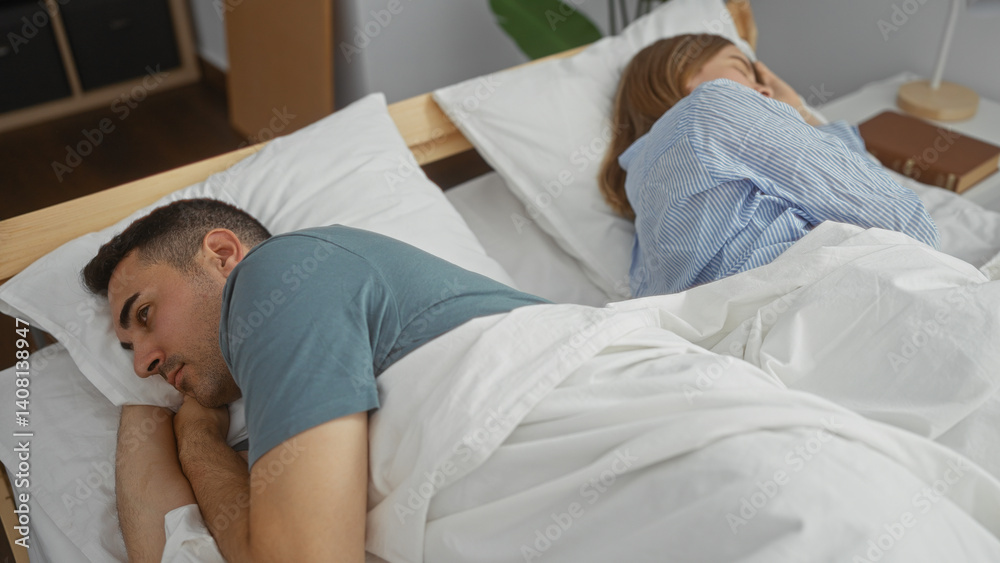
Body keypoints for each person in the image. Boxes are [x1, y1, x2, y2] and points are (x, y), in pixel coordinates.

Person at [81, 198, 548, 561]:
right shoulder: (273, 431)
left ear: (222, 256)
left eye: (145, 314)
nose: (142, 366)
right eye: (129, 350)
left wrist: (199, 440)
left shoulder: (280, 272)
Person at [598, 34, 940, 296]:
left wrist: (802, 118)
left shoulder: (643, 207)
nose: (764, 88)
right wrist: (802, 114)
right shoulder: (714, 103)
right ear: (681, 71)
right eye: (741, 68)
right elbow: (906, 225)